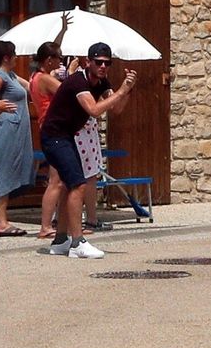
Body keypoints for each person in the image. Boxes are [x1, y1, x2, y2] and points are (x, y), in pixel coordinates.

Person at [39, 42, 139, 260]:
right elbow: (93, 110)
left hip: (66, 137)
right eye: (99, 62)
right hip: (53, 136)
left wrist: (128, 90)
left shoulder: (102, 82)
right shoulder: (78, 81)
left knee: (70, 185)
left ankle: (61, 240)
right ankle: (77, 242)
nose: (103, 67)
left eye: (107, 63)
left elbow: (116, 109)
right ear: (88, 62)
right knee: (78, 184)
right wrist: (121, 91)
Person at [0, 40, 33, 235]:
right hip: (6, 129)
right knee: (2, 169)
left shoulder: (10, 75)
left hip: (15, 129)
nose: (17, 58)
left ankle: (2, 219)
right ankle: (1, 222)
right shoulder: (0, 75)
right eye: (14, 54)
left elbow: (30, 87)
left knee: (10, 168)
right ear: (6, 58)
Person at [28, 40, 66, 238]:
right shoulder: (44, 79)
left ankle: (60, 222)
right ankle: (45, 225)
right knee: (56, 181)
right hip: (54, 130)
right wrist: (72, 72)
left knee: (61, 180)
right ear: (49, 60)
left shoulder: (35, 77)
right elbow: (68, 93)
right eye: (59, 57)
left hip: (48, 128)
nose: (61, 61)